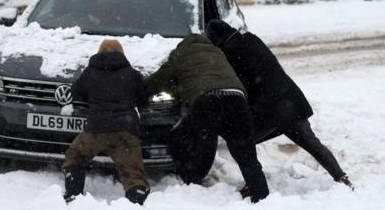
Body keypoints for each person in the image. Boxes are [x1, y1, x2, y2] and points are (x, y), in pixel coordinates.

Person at [205, 19, 353, 197]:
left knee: (239, 142)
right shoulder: (252, 39)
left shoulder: (229, 56)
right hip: (290, 101)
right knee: (312, 143)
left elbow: (241, 87)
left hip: (269, 110)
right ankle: (342, 178)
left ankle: (254, 185)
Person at [146, 34, 269, 203]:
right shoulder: (217, 52)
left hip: (208, 101)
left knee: (181, 138)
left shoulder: (181, 53)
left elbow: (159, 79)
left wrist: (139, 93)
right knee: (245, 152)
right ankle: (261, 194)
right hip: (238, 100)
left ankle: (191, 181)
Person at [62, 39, 150, 205]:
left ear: (99, 52)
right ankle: (136, 195)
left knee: (74, 157)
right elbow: (144, 97)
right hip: (125, 129)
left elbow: (76, 92)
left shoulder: (90, 72)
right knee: (132, 171)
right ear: (122, 53)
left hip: (96, 129)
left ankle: (73, 191)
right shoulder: (131, 74)